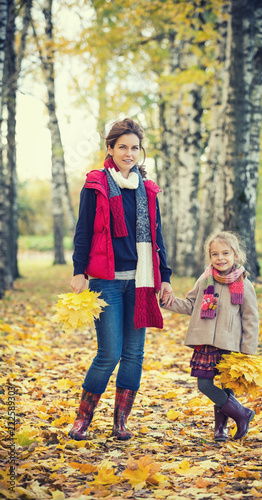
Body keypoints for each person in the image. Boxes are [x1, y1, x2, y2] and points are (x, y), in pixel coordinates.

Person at [68, 118, 174, 441]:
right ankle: (82, 420)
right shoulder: (97, 184)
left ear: (141, 152)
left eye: (135, 148)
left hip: (140, 282)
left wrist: (165, 277)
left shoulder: (148, 190)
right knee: (109, 353)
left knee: (134, 354)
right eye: (123, 147)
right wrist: (78, 270)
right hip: (108, 281)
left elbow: (157, 237)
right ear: (110, 149)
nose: (129, 153)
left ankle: (120, 422)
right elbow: (84, 229)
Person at [161, 231, 259, 441]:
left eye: (225, 253)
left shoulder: (244, 284)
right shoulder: (205, 280)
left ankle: (220, 429)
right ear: (210, 257)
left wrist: (247, 349)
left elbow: (250, 318)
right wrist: (168, 301)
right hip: (206, 343)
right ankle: (242, 414)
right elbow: (191, 305)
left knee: (226, 388)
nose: (220, 258)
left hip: (231, 344)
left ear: (235, 255)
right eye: (215, 254)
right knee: (204, 385)